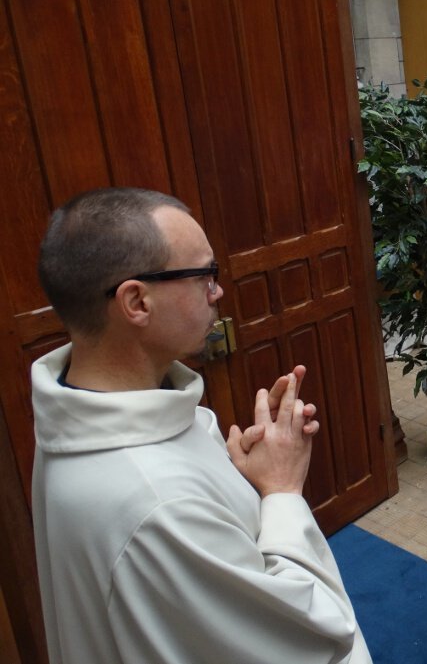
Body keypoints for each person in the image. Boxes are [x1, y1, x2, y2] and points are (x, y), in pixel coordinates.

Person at [32, 188, 371, 664]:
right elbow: (311, 638)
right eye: (204, 275)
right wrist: (281, 492)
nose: (218, 291)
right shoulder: (156, 503)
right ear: (137, 302)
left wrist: (234, 481)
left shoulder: (78, 410)